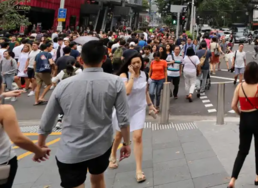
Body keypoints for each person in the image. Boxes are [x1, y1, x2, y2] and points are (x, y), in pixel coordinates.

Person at [38, 40, 131, 188]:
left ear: (80, 60)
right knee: (98, 178)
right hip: (101, 146)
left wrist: (41, 144)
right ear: (104, 59)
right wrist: (126, 143)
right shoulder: (116, 82)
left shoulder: (63, 85)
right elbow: (123, 118)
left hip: (71, 149)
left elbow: (47, 120)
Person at [108, 53, 156, 182]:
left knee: (138, 137)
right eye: (133, 62)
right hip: (124, 110)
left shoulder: (144, 74)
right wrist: (133, 77)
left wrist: (150, 105)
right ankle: (112, 155)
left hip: (139, 110)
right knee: (118, 136)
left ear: (142, 63)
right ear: (129, 63)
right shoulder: (123, 76)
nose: (136, 65)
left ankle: (139, 170)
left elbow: (144, 92)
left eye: (138, 62)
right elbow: (127, 91)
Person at [0, 98, 51, 186]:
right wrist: (38, 151)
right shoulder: (4, 110)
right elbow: (17, 139)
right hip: (3, 161)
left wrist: (5, 94)